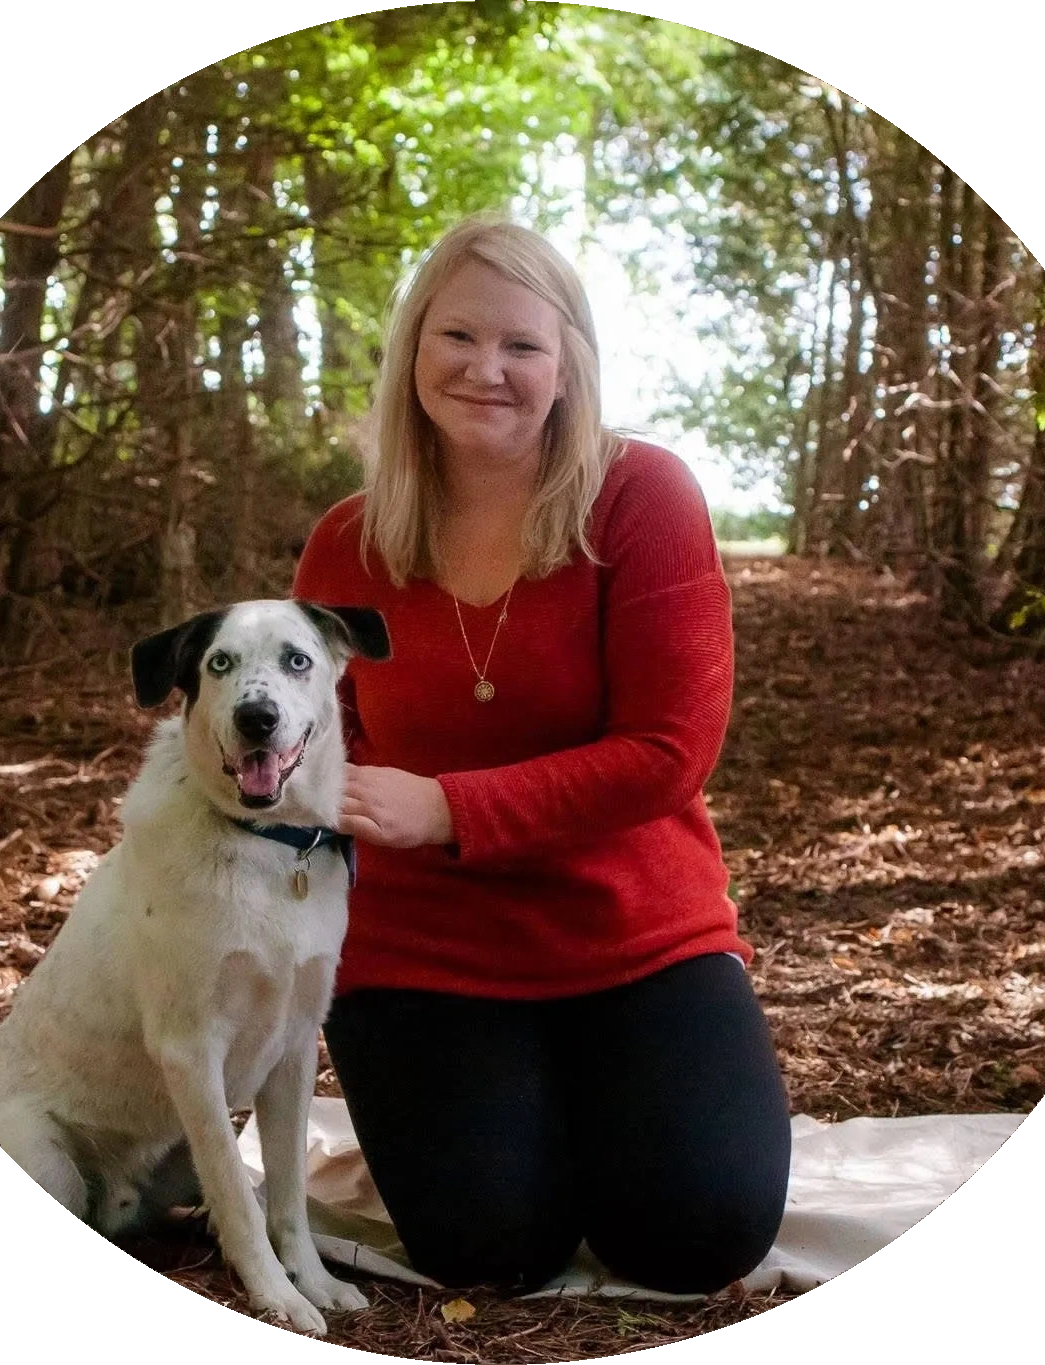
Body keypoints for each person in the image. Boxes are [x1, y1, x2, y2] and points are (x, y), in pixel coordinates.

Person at [291, 215, 791, 1296]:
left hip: (632, 928)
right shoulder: (348, 539)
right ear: (413, 352)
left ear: (567, 363)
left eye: (521, 344)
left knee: (700, 1231)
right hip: (422, 944)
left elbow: (668, 751)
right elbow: (314, 734)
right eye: (456, 337)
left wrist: (453, 808)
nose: (486, 370)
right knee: (488, 1250)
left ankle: (579, 1093)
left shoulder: (640, 496)